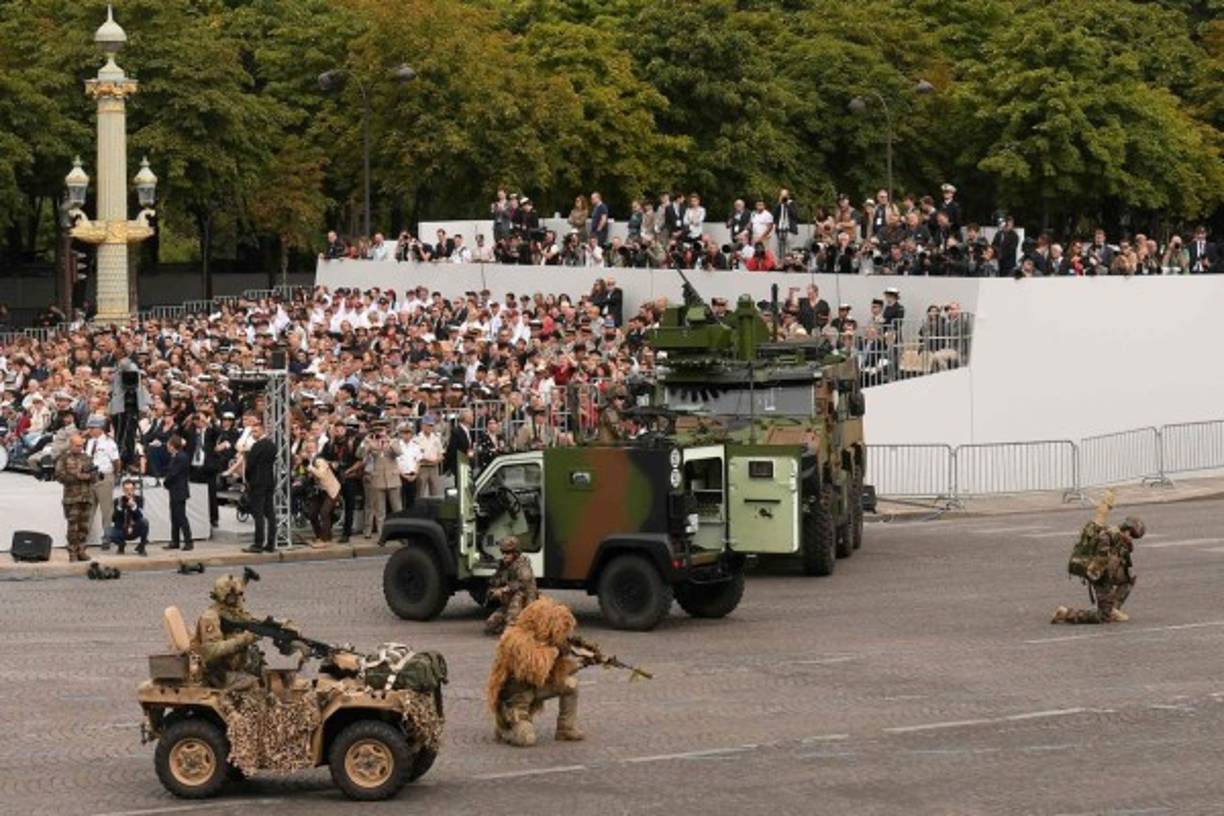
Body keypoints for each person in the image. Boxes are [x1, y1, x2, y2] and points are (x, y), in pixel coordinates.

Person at [486, 596, 585, 746]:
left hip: (535, 691)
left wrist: (579, 663)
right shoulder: (515, 639)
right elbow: (535, 669)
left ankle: (566, 728)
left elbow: (555, 673)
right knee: (526, 739)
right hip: (516, 699)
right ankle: (505, 729)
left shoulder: (546, 642)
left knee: (570, 684)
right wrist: (556, 651)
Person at [1052, 494, 1144, 624]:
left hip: (1107, 574)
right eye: (1132, 535)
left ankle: (1112, 609)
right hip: (1100, 576)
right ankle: (1066, 613)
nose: (1132, 538)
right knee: (1103, 617)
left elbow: (1122, 562)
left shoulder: (1122, 541)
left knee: (1128, 579)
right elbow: (1099, 564)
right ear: (1126, 530)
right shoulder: (1108, 537)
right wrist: (1105, 588)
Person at [193, 574, 263, 691]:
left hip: (234, 666)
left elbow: (252, 620)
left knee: (263, 673)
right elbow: (210, 651)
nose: (238, 600)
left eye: (239, 596)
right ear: (224, 597)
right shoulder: (210, 617)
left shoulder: (233, 613)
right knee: (253, 684)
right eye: (234, 597)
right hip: (216, 673)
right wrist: (244, 639)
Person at [484, 536, 540, 635]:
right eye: (503, 553)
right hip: (510, 600)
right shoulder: (504, 565)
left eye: (508, 553)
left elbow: (524, 582)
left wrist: (504, 590)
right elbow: (494, 580)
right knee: (491, 625)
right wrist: (494, 590)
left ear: (515, 553)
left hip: (524, 601)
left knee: (511, 627)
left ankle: (516, 627)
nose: (504, 556)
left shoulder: (522, 565)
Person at [55, 433, 95, 562]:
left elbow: (95, 475)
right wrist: (77, 477)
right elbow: (59, 476)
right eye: (77, 445)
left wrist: (90, 476)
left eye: (81, 445)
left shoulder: (87, 458)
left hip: (86, 497)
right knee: (73, 527)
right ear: (71, 445)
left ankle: (81, 550)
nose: (80, 448)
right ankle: (72, 552)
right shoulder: (64, 458)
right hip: (72, 498)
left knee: (84, 526)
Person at [359, 423, 402, 539]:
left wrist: (389, 441)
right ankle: (381, 535)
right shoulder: (371, 443)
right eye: (377, 431)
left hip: (392, 478)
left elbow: (399, 452)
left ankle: (401, 533)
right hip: (378, 479)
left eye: (381, 430)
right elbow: (360, 455)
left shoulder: (393, 441)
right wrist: (366, 444)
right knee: (380, 511)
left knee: (397, 508)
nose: (380, 433)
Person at [242, 416, 278, 554]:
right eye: (252, 431)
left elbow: (250, 465)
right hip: (269, 481)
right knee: (270, 513)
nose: (253, 434)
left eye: (255, 431)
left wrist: (247, 479)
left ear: (262, 431)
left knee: (258, 513)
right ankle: (270, 543)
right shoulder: (272, 446)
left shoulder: (257, 446)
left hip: (257, 482)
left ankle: (258, 543)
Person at [85, 415, 120, 550]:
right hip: (91, 478)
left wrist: (113, 475)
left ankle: (107, 537)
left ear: (100, 428)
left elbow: (116, 461)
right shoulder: (90, 442)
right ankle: (84, 538)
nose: (90, 430)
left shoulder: (109, 443)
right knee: (89, 509)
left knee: (106, 510)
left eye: (92, 428)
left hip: (104, 476)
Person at [163, 434, 193, 551]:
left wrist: (166, 482)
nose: (167, 447)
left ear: (172, 445)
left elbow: (174, 473)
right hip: (174, 490)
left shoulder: (181, 457)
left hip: (179, 490)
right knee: (174, 517)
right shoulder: (175, 456)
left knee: (181, 517)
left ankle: (188, 541)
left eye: (169, 445)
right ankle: (175, 541)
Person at [107, 477, 149, 556]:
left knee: (145, 522)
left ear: (134, 489)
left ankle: (142, 547)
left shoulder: (139, 499)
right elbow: (113, 519)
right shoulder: (117, 501)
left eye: (131, 489)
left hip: (134, 529)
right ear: (123, 490)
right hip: (122, 529)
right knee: (108, 533)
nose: (129, 492)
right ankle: (121, 545)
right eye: (126, 490)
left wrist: (134, 507)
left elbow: (140, 516)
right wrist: (119, 509)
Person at [414, 414, 444, 498]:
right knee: (420, 492)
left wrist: (438, 460)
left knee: (435, 492)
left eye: (431, 425)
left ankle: (434, 506)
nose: (430, 427)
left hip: (434, 468)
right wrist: (430, 460)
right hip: (422, 467)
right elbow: (418, 455)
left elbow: (441, 453)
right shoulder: (417, 439)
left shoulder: (436, 438)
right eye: (428, 425)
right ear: (422, 426)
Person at [443, 408, 474, 477]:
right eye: (471, 416)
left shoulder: (468, 431)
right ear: (465, 418)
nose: (473, 418)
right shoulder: (456, 432)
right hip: (459, 466)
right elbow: (452, 450)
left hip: (466, 465)